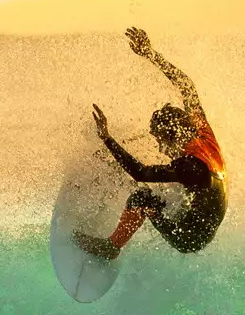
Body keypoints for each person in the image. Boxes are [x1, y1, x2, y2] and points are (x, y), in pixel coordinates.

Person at [78, 28, 227, 259]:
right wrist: (151, 54)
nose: (160, 148)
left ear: (172, 136)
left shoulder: (191, 166)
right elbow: (187, 86)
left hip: (189, 236)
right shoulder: (203, 133)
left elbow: (141, 173)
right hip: (197, 217)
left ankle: (111, 248)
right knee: (153, 183)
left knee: (141, 196)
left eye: (160, 141)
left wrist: (107, 138)